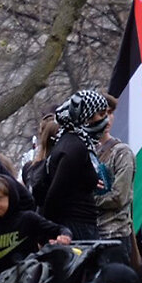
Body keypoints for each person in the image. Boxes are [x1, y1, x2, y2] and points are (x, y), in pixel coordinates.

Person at [37, 90, 109, 240]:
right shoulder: (75, 147)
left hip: (77, 226)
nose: (106, 120)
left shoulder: (68, 141)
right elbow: (55, 193)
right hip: (76, 229)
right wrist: (49, 232)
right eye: (101, 114)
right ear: (86, 117)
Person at [0, 174, 71, 278]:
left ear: (11, 197)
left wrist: (64, 236)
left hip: (30, 280)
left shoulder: (27, 219)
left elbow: (59, 229)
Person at [95, 95, 139, 268]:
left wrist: (87, 201)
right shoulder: (83, 151)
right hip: (89, 236)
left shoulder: (121, 153)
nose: (106, 118)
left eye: (109, 113)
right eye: (100, 114)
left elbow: (119, 197)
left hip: (114, 236)